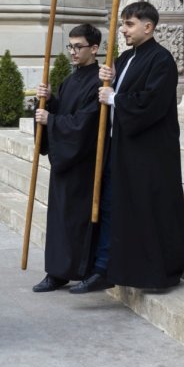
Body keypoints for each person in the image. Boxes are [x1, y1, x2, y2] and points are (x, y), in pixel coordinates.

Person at [96, 0, 184, 290]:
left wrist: (115, 98)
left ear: (148, 27)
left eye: (129, 24)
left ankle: (157, 273)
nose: (123, 30)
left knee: (151, 210)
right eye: (123, 24)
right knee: (129, 210)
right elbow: (117, 92)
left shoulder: (162, 60)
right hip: (126, 147)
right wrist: (109, 82)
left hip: (152, 151)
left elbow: (152, 102)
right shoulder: (125, 59)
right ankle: (127, 270)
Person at [32, 24, 104, 293]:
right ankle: (57, 272)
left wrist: (51, 119)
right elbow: (64, 111)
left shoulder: (99, 82)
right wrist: (49, 100)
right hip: (64, 162)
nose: (72, 52)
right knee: (59, 219)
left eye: (78, 47)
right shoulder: (70, 80)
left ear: (94, 49)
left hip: (83, 163)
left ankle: (81, 270)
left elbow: (85, 123)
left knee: (77, 219)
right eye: (70, 47)